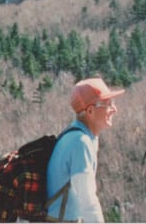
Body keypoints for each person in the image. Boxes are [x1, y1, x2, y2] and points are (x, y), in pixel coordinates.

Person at [46, 77, 124, 223]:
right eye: (108, 104)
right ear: (90, 110)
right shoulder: (80, 142)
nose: (114, 109)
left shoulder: (76, 134)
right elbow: (87, 200)